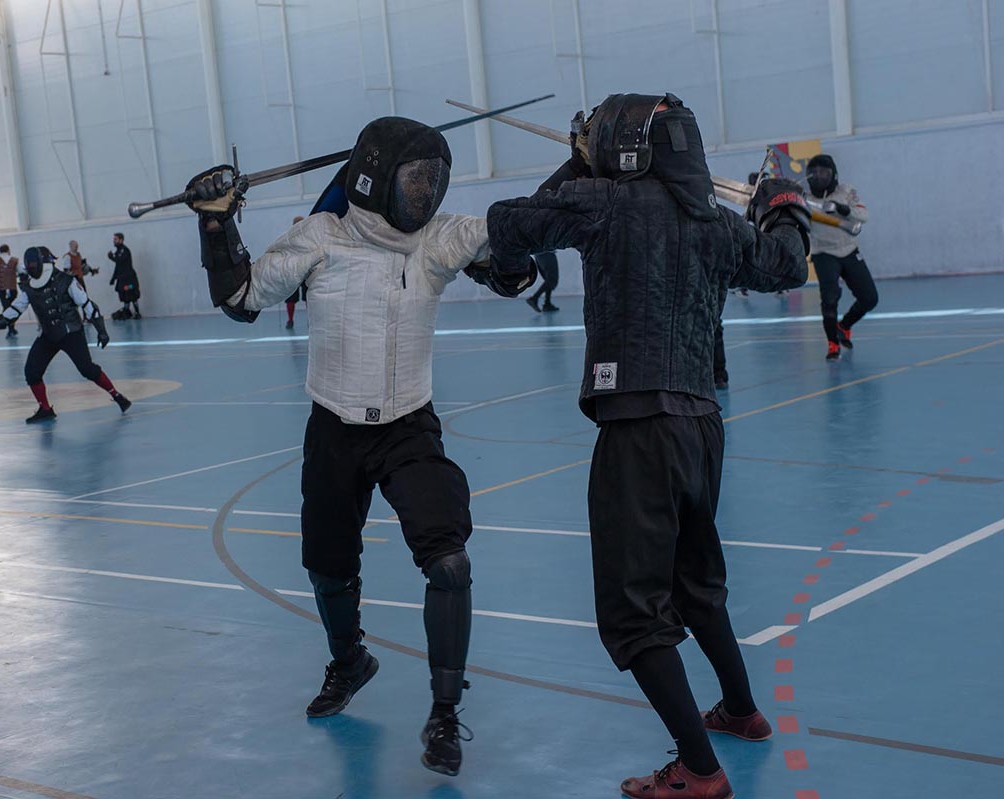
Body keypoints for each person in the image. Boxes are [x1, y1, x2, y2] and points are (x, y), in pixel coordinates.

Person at [485, 93, 811, 799]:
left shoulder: (603, 203)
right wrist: (783, 199)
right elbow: (787, 264)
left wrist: (571, 166)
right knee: (695, 584)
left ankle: (698, 769)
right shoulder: (715, 223)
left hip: (637, 425)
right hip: (702, 425)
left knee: (635, 611)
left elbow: (507, 227)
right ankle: (742, 710)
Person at [188, 116, 534, 777]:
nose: (426, 191)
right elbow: (239, 296)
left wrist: (529, 228)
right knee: (326, 565)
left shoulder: (439, 236)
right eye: (414, 178)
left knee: (450, 563)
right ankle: (350, 659)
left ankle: (442, 712)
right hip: (335, 429)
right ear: (375, 179)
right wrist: (214, 221)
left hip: (408, 425)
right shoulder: (320, 236)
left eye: (433, 177)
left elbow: (509, 269)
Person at [0, 246, 131, 424]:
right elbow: (13, 311)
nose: (31, 267)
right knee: (32, 372)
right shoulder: (28, 288)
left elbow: (87, 304)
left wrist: (102, 331)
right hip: (48, 335)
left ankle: (118, 397)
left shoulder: (66, 281)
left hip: (71, 332)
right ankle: (45, 409)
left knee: (87, 369)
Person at [805, 153, 874, 361]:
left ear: (833, 174)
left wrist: (844, 210)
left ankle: (844, 327)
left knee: (870, 299)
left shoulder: (846, 192)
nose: (818, 177)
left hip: (848, 249)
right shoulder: (804, 199)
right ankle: (833, 344)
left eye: (823, 172)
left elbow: (864, 215)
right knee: (829, 298)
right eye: (814, 173)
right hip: (823, 253)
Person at [108, 232, 141, 319]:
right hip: (122, 279)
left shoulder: (125, 250)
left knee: (132, 294)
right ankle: (126, 312)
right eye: (114, 239)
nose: (114, 241)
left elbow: (119, 260)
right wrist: (113, 278)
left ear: (121, 240)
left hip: (129, 279)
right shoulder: (118, 251)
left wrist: (112, 257)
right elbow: (118, 266)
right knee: (125, 296)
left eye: (116, 239)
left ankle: (137, 313)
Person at [284, 215, 306, 329]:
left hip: (301, 269)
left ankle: (291, 320)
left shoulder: (289, 237)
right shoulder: (290, 238)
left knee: (308, 296)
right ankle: (290, 320)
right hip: (296, 269)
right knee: (292, 296)